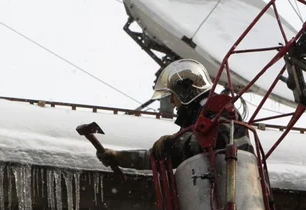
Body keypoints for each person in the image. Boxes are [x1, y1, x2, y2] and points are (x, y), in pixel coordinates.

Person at [97, 59, 253, 170]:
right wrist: (119, 157)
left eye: (173, 95)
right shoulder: (196, 119)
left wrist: (171, 143)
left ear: (185, 92)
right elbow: (161, 157)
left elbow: (217, 140)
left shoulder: (217, 107)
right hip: (217, 195)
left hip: (239, 189)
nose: (171, 102)